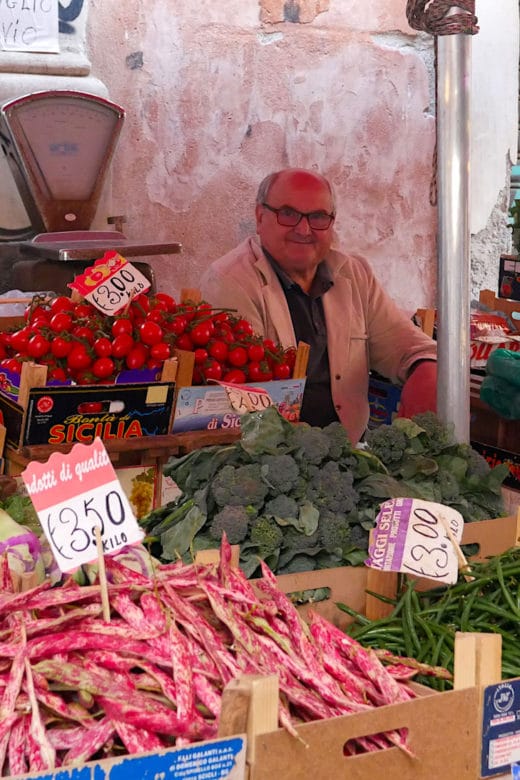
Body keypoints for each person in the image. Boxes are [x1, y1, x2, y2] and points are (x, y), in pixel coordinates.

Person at [200, 168, 437, 445]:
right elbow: (245, 400)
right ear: (259, 216)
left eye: (318, 217)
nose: (304, 229)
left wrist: (425, 371)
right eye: (287, 214)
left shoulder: (353, 274)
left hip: (349, 452)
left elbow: (406, 344)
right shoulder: (231, 282)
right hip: (269, 460)